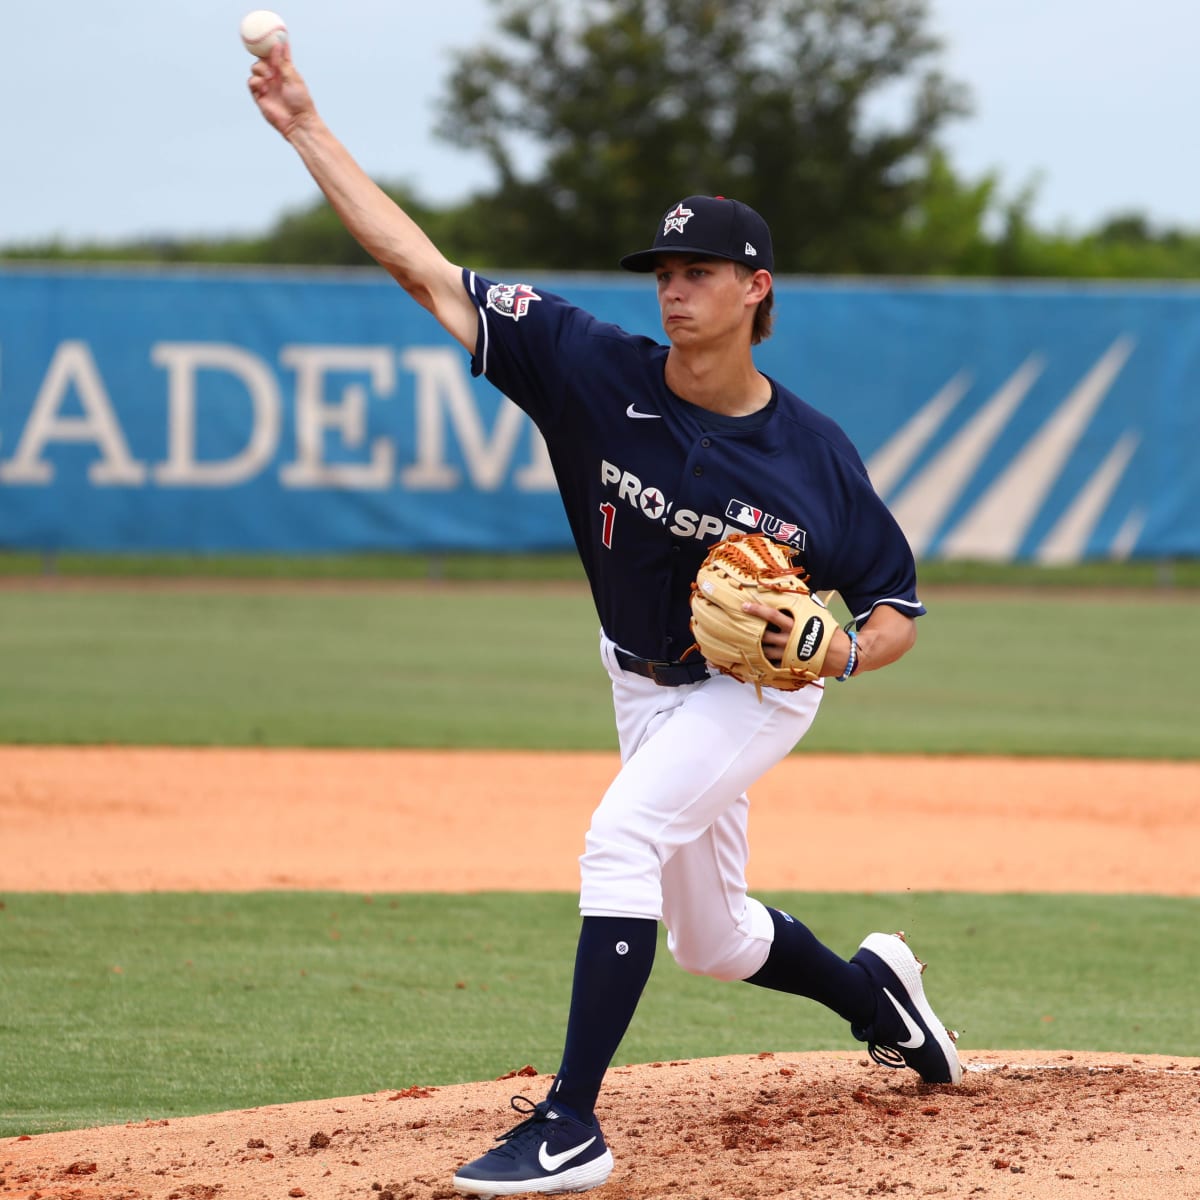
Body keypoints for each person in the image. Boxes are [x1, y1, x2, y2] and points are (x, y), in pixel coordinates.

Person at [248, 39, 962, 1199]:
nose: (673, 287)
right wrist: (303, 126)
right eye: (663, 269)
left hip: (754, 689)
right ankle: (882, 996)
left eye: (698, 269)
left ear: (754, 290)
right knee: (716, 942)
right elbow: (424, 271)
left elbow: (898, 608)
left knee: (618, 840)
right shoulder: (587, 365)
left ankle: (572, 1121)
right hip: (639, 677)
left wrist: (842, 648)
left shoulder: (814, 457)